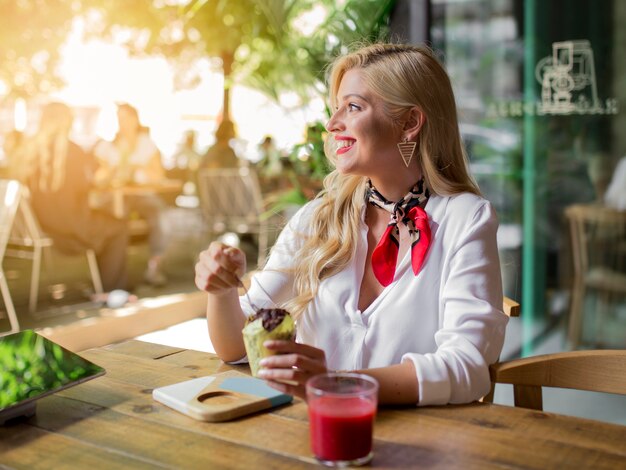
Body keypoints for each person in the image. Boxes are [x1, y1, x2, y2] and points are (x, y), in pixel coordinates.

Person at [194, 43, 508, 406]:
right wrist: (220, 293)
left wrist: (339, 382)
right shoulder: (319, 217)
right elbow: (236, 347)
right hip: (314, 440)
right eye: (336, 107)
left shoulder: (466, 218)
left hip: (421, 448)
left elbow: (469, 367)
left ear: (409, 123)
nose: (332, 123)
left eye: (353, 106)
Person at [18, 102, 129, 292]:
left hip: (44, 227)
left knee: (105, 222)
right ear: (67, 122)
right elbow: (95, 182)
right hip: (73, 230)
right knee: (118, 227)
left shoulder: (31, 153)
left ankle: (100, 284)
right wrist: (110, 168)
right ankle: (111, 290)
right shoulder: (74, 152)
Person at [93, 103, 168, 286]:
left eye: (126, 118)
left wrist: (138, 168)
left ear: (136, 119)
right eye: (119, 118)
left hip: (142, 195)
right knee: (116, 219)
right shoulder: (108, 146)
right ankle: (115, 275)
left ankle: (154, 267)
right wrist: (113, 170)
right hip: (116, 196)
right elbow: (98, 178)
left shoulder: (147, 145)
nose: (123, 122)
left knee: (160, 215)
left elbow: (159, 177)